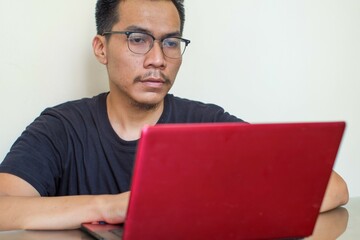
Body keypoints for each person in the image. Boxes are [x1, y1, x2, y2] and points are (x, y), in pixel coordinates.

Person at [0, 0, 349, 231]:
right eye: (138, 39)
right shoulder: (61, 127)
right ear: (102, 48)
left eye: (170, 42)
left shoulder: (207, 124)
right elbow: (4, 208)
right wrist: (113, 207)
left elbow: (334, 188)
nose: (157, 59)